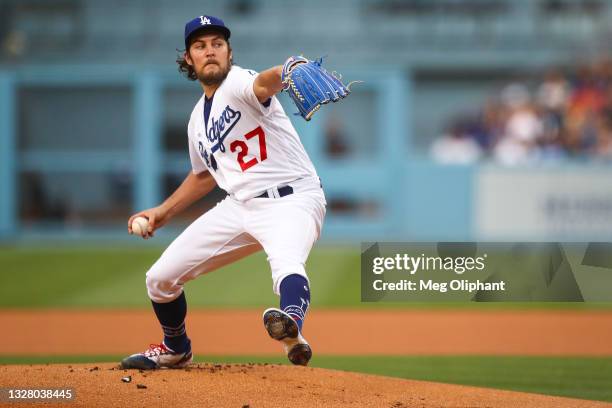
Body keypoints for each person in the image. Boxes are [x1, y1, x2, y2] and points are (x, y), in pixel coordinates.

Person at [120, 15, 326, 369]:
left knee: (287, 264)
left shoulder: (238, 82)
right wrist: (162, 212)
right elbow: (203, 177)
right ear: (189, 59)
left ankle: (291, 326)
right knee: (160, 278)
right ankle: (176, 348)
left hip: (292, 199)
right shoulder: (197, 122)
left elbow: (265, 82)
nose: (210, 51)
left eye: (217, 43)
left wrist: (289, 69)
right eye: (200, 46)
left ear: (230, 52)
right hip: (238, 207)